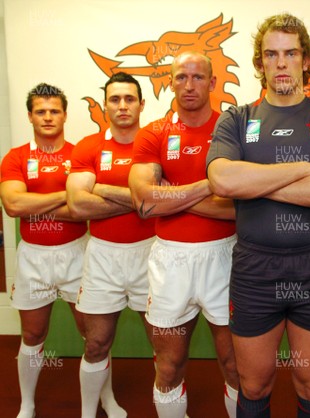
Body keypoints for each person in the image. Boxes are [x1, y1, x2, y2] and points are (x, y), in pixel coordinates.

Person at [207, 13, 310, 418]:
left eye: (290, 53)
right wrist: (306, 170)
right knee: (255, 383)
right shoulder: (236, 120)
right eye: (271, 54)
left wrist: (254, 182)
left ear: (306, 60)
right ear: (259, 64)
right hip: (255, 268)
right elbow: (223, 180)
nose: (280, 63)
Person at [128, 51, 239, 418]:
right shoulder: (154, 133)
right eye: (180, 77)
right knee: (169, 365)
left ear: (212, 82)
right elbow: (145, 201)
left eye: (197, 77)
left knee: (235, 365)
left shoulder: (233, 128)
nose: (188, 85)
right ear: (171, 82)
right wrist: (210, 186)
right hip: (171, 260)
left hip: (225, 257)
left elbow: (241, 208)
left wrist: (172, 194)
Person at [0, 83, 117, 418]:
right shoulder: (16, 157)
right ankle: (27, 404)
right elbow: (12, 203)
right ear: (30, 116)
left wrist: (36, 205)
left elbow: (87, 207)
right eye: (41, 111)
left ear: (65, 114)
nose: (48, 117)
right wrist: (67, 198)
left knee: (95, 337)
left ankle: (106, 400)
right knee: (33, 333)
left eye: (54, 111)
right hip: (33, 256)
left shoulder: (78, 155)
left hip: (77, 254)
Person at [66, 72, 155, 418]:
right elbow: (77, 205)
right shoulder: (89, 146)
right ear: (105, 106)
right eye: (115, 99)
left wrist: (101, 188)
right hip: (102, 255)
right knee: (96, 343)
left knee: (165, 346)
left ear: (141, 104)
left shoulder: (155, 144)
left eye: (129, 99)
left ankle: (170, 409)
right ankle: (93, 411)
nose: (122, 106)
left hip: (151, 253)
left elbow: (158, 202)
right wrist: (138, 200)